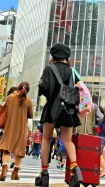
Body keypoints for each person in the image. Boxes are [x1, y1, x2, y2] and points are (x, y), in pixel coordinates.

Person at [36, 43, 83, 187]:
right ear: (67, 57)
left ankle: (44, 173)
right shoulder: (72, 71)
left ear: (53, 56)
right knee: (68, 140)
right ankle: (75, 168)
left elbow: (43, 89)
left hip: (52, 108)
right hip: (68, 109)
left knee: (46, 138)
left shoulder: (49, 69)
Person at [0, 82, 34, 181]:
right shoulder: (29, 101)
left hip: (10, 127)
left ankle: (4, 168)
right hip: (22, 129)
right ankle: (15, 173)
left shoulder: (10, 98)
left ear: (18, 88)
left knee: (6, 149)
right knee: (19, 151)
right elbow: (31, 115)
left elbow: (4, 108)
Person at [96, 106, 105, 178]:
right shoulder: (104, 121)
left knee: (98, 154)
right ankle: (101, 170)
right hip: (103, 138)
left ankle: (104, 170)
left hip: (100, 137)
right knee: (98, 154)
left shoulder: (100, 120)